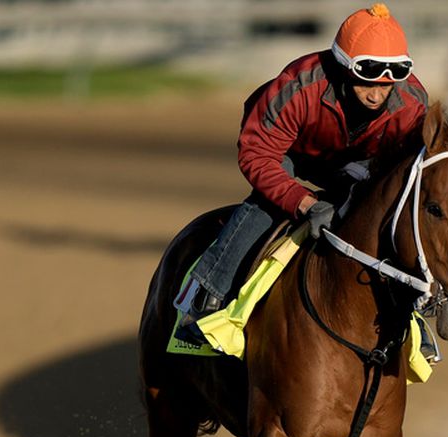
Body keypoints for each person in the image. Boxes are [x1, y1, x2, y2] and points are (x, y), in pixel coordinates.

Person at [174, 3, 429, 345]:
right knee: (269, 205)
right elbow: (257, 154)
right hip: (288, 153)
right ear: (342, 67)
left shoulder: (411, 104)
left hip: (356, 163)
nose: (377, 95)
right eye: (366, 81)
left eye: (387, 85)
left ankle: (412, 318)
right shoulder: (298, 85)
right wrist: (304, 202)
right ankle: (208, 295)